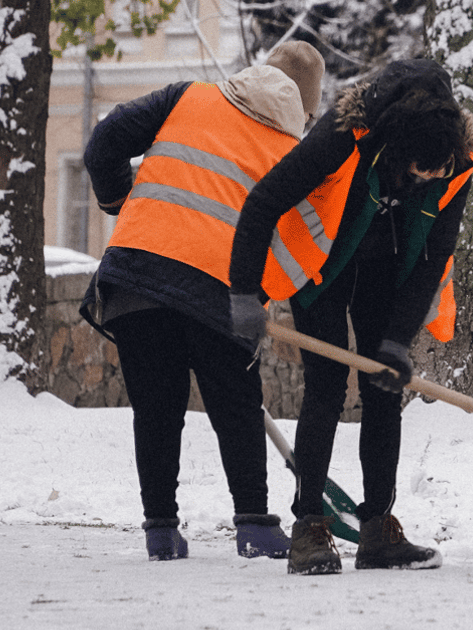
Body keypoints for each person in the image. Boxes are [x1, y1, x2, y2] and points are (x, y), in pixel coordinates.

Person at [227, 58, 473, 576]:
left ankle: (377, 529)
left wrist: (396, 341)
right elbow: (262, 204)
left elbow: (433, 257)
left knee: (385, 386)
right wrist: (244, 296)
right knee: (326, 385)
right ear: (395, 148)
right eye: (420, 170)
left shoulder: (457, 158)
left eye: (439, 171)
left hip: (387, 264)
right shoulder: (345, 135)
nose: (431, 178)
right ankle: (310, 527)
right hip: (323, 260)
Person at [80, 42, 326, 562]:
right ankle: (256, 528)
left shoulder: (188, 96)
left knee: (156, 407)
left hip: (136, 271)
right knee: (237, 404)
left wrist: (121, 205)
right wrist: (259, 295)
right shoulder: (296, 152)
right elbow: (295, 243)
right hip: (220, 287)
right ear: (307, 109)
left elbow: (103, 142)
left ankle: (161, 532)